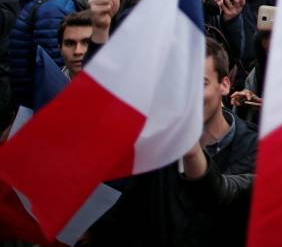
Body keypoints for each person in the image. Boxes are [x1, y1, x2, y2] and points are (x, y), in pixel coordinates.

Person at [92, 38, 258, 246]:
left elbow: (218, 194)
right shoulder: (156, 152)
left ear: (224, 85)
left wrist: (191, 150)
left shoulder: (257, 150)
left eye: (201, 84)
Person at [57, 9, 92, 79]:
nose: (77, 51)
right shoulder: (50, 85)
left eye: (87, 42)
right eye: (70, 44)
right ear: (60, 49)